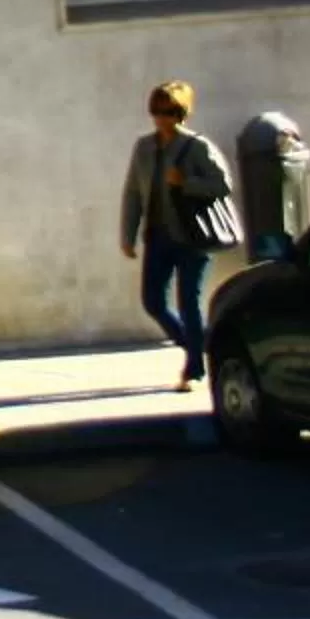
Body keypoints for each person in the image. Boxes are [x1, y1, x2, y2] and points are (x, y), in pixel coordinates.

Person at [120, 79, 234, 391]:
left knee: (189, 303)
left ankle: (194, 369)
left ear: (181, 112)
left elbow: (223, 185)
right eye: (156, 111)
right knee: (153, 301)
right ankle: (199, 348)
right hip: (158, 237)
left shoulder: (197, 146)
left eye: (168, 111)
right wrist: (127, 234)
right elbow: (133, 193)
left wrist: (186, 182)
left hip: (192, 237)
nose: (161, 118)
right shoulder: (144, 148)